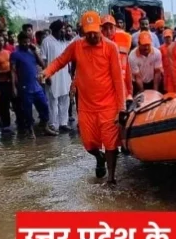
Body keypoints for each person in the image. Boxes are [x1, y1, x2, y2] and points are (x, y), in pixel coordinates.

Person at [41, 11, 125, 185]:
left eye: (95, 31)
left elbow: (118, 80)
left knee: (111, 144)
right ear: (82, 30)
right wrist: (46, 72)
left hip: (108, 105)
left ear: (100, 28)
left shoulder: (110, 48)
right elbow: (60, 61)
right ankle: (99, 157)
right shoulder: (77, 46)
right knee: (88, 144)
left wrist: (121, 108)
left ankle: (111, 179)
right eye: (89, 32)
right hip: (86, 106)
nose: (92, 35)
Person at [11, 31, 58, 139]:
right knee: (27, 110)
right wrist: (13, 87)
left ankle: (44, 126)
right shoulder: (15, 54)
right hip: (24, 86)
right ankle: (30, 130)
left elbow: (42, 64)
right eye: (23, 42)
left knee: (44, 106)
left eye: (28, 42)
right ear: (19, 42)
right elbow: (12, 71)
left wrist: (35, 52)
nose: (26, 44)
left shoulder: (32, 52)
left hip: (36, 85)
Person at [41, 20, 73, 133]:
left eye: (64, 29)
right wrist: (47, 75)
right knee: (53, 100)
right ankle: (54, 124)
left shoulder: (64, 42)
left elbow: (69, 59)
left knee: (65, 99)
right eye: (62, 30)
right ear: (55, 30)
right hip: (53, 75)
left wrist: (70, 72)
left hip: (65, 75)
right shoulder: (46, 41)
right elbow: (43, 60)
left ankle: (63, 123)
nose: (63, 31)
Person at [0, 34, 22, 133]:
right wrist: (5, 72)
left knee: (16, 101)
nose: (0, 42)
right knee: (3, 104)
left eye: (2, 40)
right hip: (1, 82)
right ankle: (6, 124)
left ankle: (20, 121)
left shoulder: (8, 52)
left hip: (12, 81)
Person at [102, 14, 134, 100]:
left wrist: (130, 92)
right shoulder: (97, 47)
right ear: (101, 30)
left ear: (115, 28)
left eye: (111, 28)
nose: (108, 32)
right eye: (105, 28)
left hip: (122, 89)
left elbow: (127, 69)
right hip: (105, 91)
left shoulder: (125, 40)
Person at [160, 29, 175, 93]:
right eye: (166, 37)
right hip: (165, 73)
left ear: (172, 37)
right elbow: (159, 61)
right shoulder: (161, 48)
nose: (167, 39)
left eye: (169, 37)